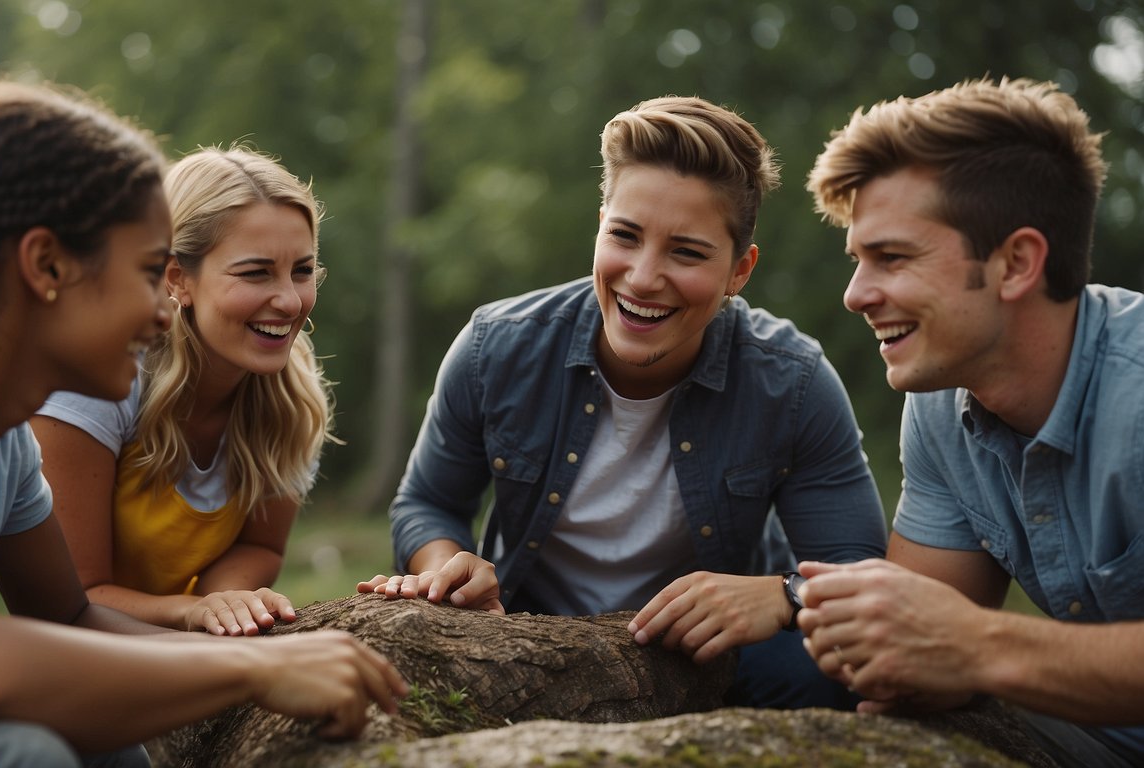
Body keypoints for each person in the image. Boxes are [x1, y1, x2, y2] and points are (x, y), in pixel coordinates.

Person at [0, 80, 405, 768]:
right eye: (152, 272)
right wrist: (250, 674)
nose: (163, 311)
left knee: (98, 734)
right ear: (46, 265)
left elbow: (70, 617)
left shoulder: (0, 438)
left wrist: (275, 657)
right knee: (17, 754)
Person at [359, 95, 887, 709]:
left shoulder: (792, 381)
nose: (641, 276)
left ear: (740, 271)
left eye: (686, 252)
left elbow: (854, 568)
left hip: (712, 657)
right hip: (529, 640)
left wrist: (782, 595)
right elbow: (427, 501)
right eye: (625, 236)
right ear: (600, 225)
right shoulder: (493, 348)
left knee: (831, 672)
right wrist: (450, 566)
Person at [798, 76, 1144, 767]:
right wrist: (814, 611)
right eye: (857, 260)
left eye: (891, 257)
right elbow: (912, 649)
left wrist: (976, 648)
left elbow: (955, 643)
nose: (856, 294)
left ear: (1016, 263)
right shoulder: (937, 405)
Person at [31, 146, 332, 637]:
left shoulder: (293, 387)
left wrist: (224, 602)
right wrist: (191, 612)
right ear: (177, 278)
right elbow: (71, 598)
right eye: (256, 272)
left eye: (302, 270)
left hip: (184, 652)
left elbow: (262, 548)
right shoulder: (94, 380)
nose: (289, 300)